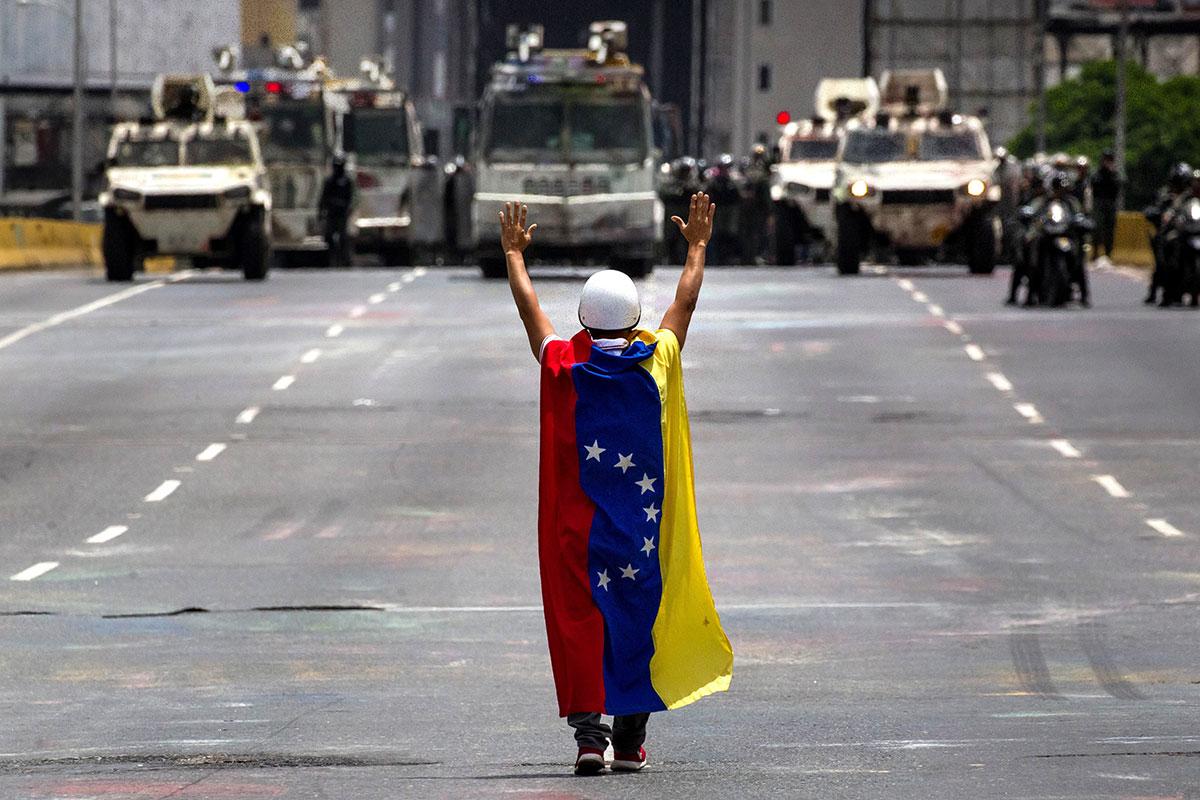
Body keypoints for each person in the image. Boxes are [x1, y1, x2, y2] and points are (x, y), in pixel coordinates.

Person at [500, 195, 734, 777]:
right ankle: (629, 743)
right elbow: (684, 302)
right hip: (641, 534)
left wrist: (514, 257)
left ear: (583, 318)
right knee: (636, 618)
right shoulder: (656, 361)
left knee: (581, 620)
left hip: (577, 535)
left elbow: (533, 316)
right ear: (635, 321)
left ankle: (589, 738)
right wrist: (698, 246)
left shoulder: (562, 366)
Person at [1144, 162, 1191, 305]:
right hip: (1172, 232)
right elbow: (1156, 210)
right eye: (1177, 181)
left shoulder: (1192, 195)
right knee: (1164, 254)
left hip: (1191, 230)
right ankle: (1161, 291)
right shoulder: (1165, 195)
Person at [318, 154, 354, 266]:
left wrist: (348, 208)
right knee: (329, 237)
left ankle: (345, 259)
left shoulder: (347, 181)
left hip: (342, 212)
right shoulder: (329, 181)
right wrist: (320, 212)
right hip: (331, 212)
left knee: (343, 237)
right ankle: (330, 258)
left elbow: (350, 197)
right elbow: (323, 197)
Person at [1090, 150, 1121, 263]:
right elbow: (1094, 186)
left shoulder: (1114, 175)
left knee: (1110, 229)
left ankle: (1108, 254)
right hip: (1099, 203)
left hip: (1110, 204)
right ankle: (1095, 253)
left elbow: (1117, 188)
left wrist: (1110, 174)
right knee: (1097, 228)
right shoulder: (1097, 174)